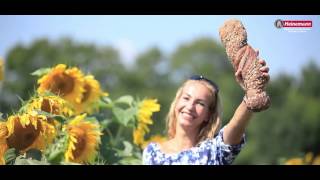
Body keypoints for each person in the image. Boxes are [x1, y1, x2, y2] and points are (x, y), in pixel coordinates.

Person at [142, 52, 270, 165]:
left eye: (200, 103)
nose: (190, 106)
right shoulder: (153, 152)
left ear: (209, 114)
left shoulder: (214, 151)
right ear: (177, 102)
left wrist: (252, 91)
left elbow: (236, 126)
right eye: (186, 98)